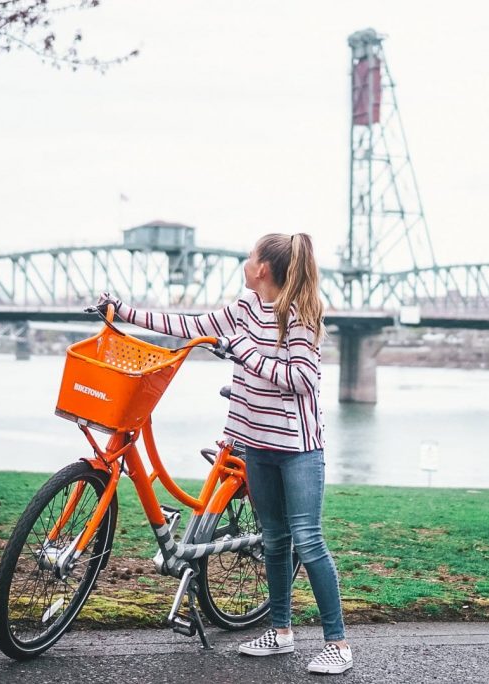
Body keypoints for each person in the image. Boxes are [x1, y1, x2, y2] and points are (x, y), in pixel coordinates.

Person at [98, 232, 352, 675]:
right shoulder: (243, 307)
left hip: (297, 448)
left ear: (264, 269)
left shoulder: (300, 316)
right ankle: (281, 632)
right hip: (256, 442)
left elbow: (301, 379)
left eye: (250, 256)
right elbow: (191, 325)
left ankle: (337, 644)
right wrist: (122, 312)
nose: (245, 261)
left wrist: (242, 350)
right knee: (274, 541)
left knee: (307, 541)